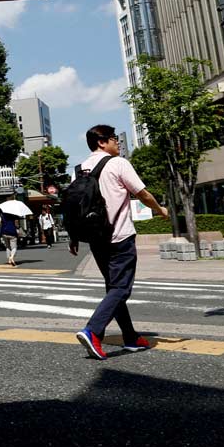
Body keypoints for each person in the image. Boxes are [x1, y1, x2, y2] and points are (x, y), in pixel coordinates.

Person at [71, 124, 169, 361]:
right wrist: (160, 210)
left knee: (113, 288)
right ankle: (92, 331)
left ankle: (131, 337)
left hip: (96, 239)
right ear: (101, 142)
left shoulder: (79, 169)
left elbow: (75, 206)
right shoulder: (119, 163)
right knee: (121, 288)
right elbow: (142, 193)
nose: (118, 142)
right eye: (114, 139)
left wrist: (74, 237)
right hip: (119, 236)